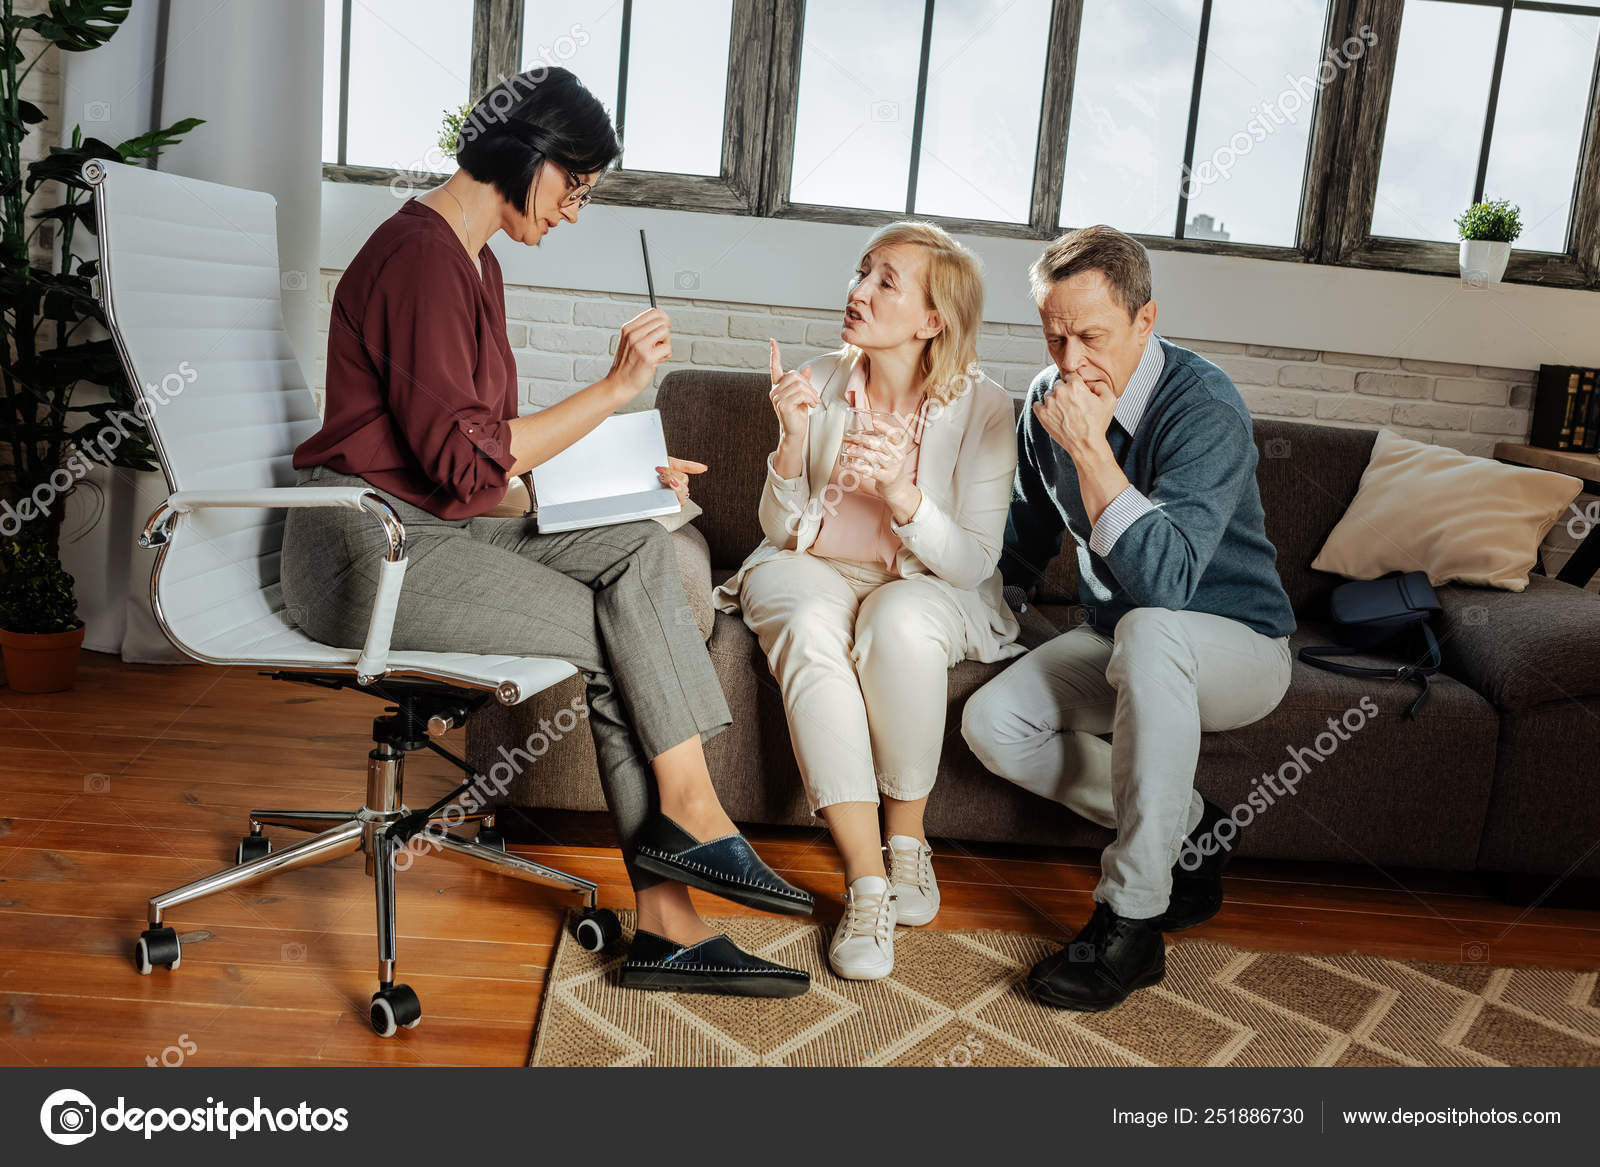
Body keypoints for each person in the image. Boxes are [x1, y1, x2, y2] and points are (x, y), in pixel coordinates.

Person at [281, 68, 813, 999]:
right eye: (575, 185)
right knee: (617, 633)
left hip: (429, 527)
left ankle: (687, 836)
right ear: (526, 153)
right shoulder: (418, 259)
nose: (574, 211)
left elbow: (481, 469)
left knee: (640, 543)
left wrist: (615, 476)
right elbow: (469, 465)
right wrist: (614, 391)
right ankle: (675, 901)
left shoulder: (474, 263)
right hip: (362, 552)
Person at [961, 224, 1297, 1012]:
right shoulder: (1047, 401)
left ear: (1145, 321)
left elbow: (1167, 582)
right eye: (1055, 337)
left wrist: (1093, 454)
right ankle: (1192, 824)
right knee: (992, 723)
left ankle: (1133, 920)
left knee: (1151, 628)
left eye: (1091, 336)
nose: (1071, 361)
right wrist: (980, 615)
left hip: (1240, 646)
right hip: (1122, 639)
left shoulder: (1203, 405)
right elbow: (1024, 540)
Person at [714, 221, 1021, 981]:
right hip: (814, 568)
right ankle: (868, 882)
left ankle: (908, 844)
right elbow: (782, 529)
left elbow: (973, 560)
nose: (858, 291)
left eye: (887, 281)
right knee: (803, 621)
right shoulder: (820, 380)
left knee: (900, 622)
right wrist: (790, 442)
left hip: (928, 583)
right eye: (861, 272)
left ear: (932, 319)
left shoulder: (984, 408)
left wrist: (903, 495)